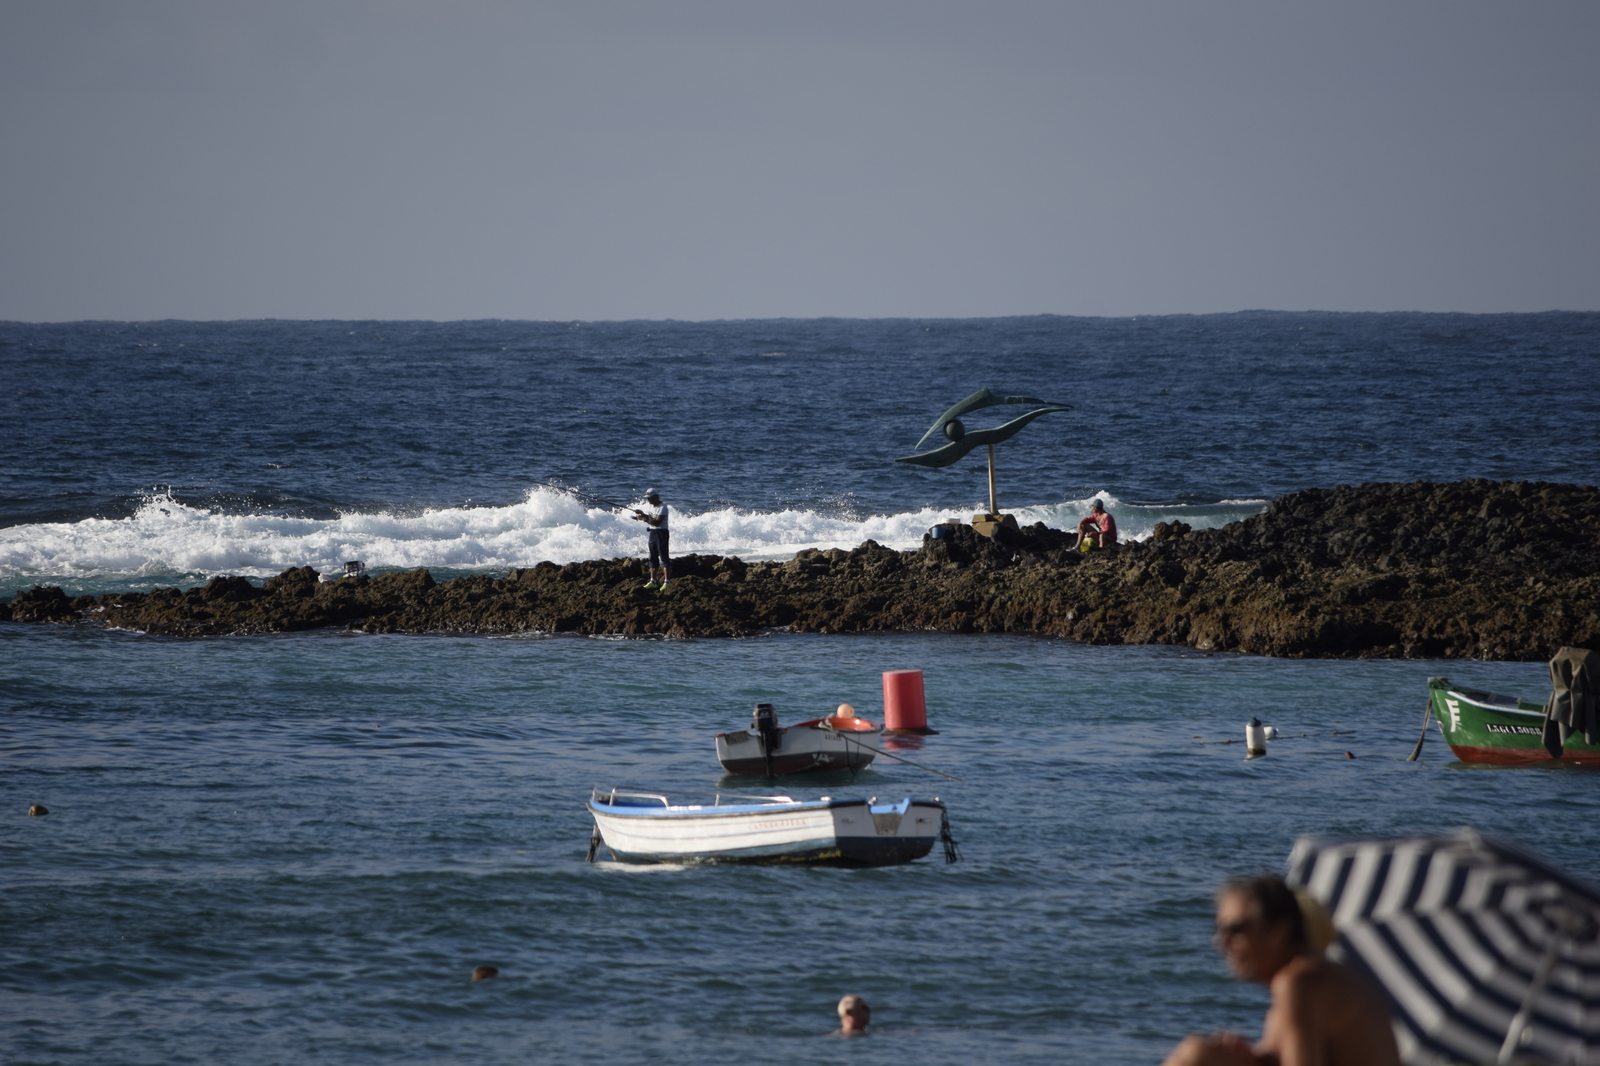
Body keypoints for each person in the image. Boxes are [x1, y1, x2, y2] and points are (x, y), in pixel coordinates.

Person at [1161, 875, 1400, 1066]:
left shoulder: (1299, 983)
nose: (1221, 942)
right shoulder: (1319, 979)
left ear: (1279, 931)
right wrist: (1256, 1056)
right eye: (1220, 929)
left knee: (1197, 1055)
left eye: (1236, 929)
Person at [631, 489, 670, 590]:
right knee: (652, 557)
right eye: (647, 498)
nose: (648, 500)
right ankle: (653, 581)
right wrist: (642, 514)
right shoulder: (651, 507)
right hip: (652, 533)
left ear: (656, 497)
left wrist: (644, 519)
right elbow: (650, 517)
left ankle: (667, 582)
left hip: (661, 533)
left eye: (650, 498)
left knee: (664, 557)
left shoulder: (663, 507)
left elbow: (657, 522)